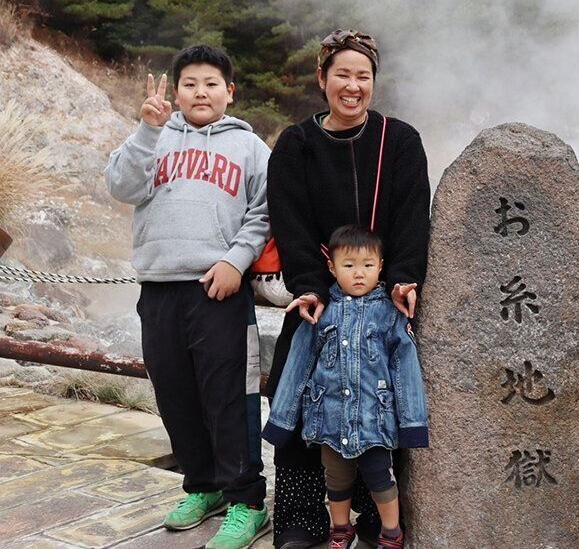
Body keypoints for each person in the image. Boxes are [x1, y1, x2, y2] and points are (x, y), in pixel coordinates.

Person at [265, 29, 431, 548]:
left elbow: (412, 218)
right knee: (296, 395)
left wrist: (402, 279)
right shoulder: (295, 145)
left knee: (379, 402)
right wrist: (311, 286)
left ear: (374, 82)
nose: (353, 86)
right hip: (320, 296)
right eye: (342, 74)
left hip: (381, 297)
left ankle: (374, 518)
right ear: (322, 78)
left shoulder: (399, 141)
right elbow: (290, 224)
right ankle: (302, 518)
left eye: (363, 76)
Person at [104, 45, 271, 549]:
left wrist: (235, 261)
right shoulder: (152, 136)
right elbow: (121, 187)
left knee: (229, 398)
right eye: (190, 84)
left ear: (229, 91)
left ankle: (247, 502)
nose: (201, 92)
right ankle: (203, 487)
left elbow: (264, 213)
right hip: (158, 288)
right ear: (175, 92)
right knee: (175, 395)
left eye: (211, 83)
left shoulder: (250, 147)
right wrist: (146, 130)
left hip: (218, 289)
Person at [263, 225, 428, 549]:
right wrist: (282, 421)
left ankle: (391, 531)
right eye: (349, 265)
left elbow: (406, 366)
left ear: (381, 266)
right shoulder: (321, 310)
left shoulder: (389, 313)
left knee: (380, 476)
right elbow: (298, 363)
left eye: (368, 265)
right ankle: (341, 529)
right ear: (332, 267)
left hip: (374, 419)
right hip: (329, 418)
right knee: (336, 479)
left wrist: (412, 424)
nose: (359, 273)